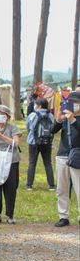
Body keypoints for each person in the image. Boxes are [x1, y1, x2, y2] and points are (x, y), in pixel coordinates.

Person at [52, 90, 80, 227]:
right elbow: (51, 131)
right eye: (71, 102)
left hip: (77, 156)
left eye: (76, 102)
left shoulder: (75, 119)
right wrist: (58, 119)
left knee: (79, 187)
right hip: (62, 154)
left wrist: (73, 120)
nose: (73, 105)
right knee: (62, 188)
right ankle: (63, 216)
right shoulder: (65, 118)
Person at [25, 97, 55, 190]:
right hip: (47, 142)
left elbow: (28, 127)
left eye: (36, 104)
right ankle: (51, 185)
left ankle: (29, 185)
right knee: (48, 163)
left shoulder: (33, 115)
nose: (35, 106)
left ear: (39, 105)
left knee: (32, 163)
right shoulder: (50, 115)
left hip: (34, 142)